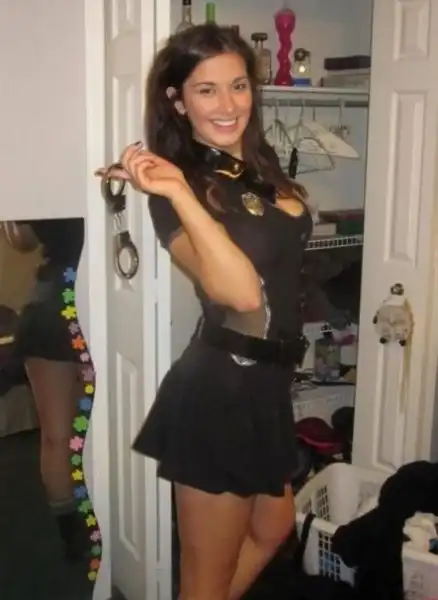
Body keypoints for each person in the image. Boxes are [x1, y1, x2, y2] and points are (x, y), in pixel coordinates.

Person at [98, 24, 313, 600]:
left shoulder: (260, 166)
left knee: (273, 527)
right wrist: (178, 193)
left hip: (267, 386)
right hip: (221, 396)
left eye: (238, 86)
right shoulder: (178, 189)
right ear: (178, 100)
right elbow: (241, 295)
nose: (228, 105)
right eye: (206, 89)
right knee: (204, 579)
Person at [5, 218, 88, 560]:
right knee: (96, 427)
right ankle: (101, 516)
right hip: (95, 295)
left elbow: (23, 241)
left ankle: (72, 534)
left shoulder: (35, 183)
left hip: (52, 297)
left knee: (57, 435)